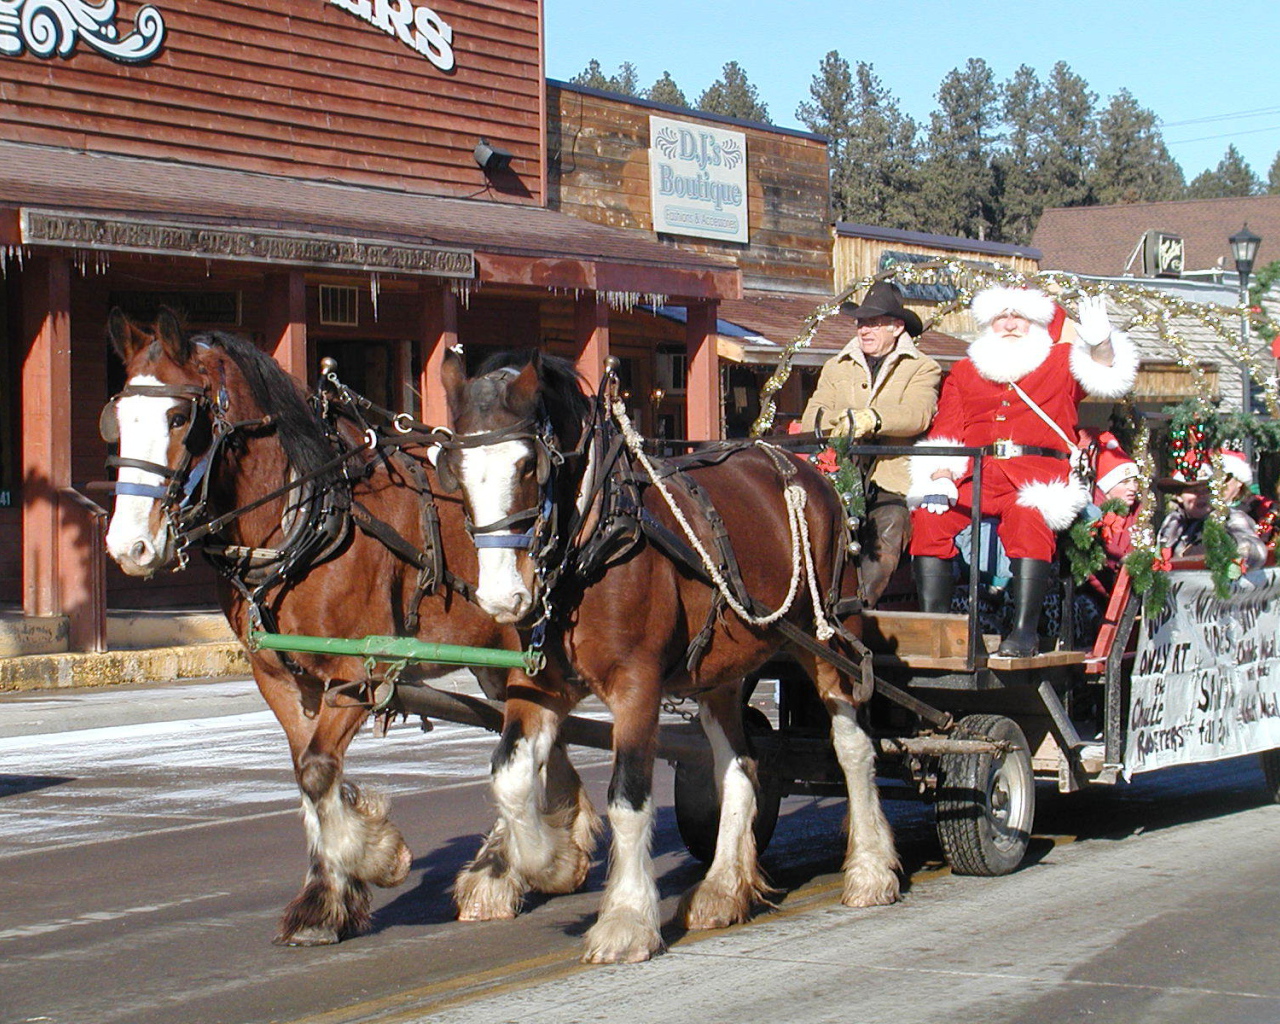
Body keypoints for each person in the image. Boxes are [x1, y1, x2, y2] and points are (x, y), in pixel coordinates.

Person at [906, 286, 1139, 657]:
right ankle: (935, 628)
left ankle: (1023, 631)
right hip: (977, 476)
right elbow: (947, 431)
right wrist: (941, 476)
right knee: (930, 518)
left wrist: (1102, 345)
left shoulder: (1061, 362)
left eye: (1020, 317)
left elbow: (1103, 374)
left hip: (1037, 474)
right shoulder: (965, 371)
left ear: (1037, 323)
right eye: (1002, 317)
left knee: (1028, 518)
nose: (1010, 324)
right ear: (988, 323)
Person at [800, 280, 941, 607]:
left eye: (874, 323)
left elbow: (917, 414)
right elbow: (811, 419)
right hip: (835, 474)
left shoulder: (923, 367)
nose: (864, 330)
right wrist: (847, 420)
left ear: (897, 327)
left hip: (890, 481)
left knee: (889, 526)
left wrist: (874, 419)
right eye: (861, 322)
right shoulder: (836, 366)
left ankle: (855, 608)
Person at [1155, 457, 1267, 570]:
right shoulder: (1173, 522)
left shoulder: (1230, 517)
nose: (1200, 496)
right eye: (1193, 491)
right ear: (1179, 496)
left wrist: (1228, 546)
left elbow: (1257, 553)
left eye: (1206, 490)